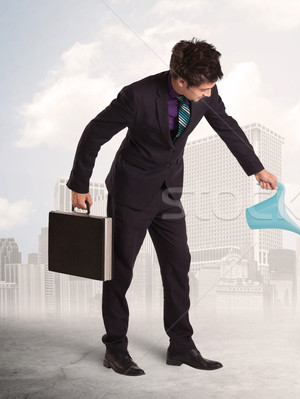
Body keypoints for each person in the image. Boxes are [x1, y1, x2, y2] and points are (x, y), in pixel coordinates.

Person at [67, 38, 277, 376]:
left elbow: (227, 126)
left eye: (212, 88)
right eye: (204, 89)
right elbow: (94, 133)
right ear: (180, 80)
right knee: (119, 273)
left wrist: (257, 167)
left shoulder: (206, 92)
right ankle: (115, 349)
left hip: (168, 195)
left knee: (179, 266)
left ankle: (181, 345)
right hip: (131, 193)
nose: (209, 95)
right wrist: (78, 184)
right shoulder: (136, 96)